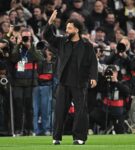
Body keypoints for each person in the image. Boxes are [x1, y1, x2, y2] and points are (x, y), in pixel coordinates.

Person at [43, 10, 98, 145]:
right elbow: (48, 36)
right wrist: (50, 23)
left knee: (81, 111)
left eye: (69, 28)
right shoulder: (62, 41)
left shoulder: (87, 45)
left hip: (80, 82)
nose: (67, 30)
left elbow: (93, 62)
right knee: (60, 110)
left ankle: (79, 138)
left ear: (77, 30)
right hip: (63, 82)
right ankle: (56, 137)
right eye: (66, 28)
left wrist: (93, 77)